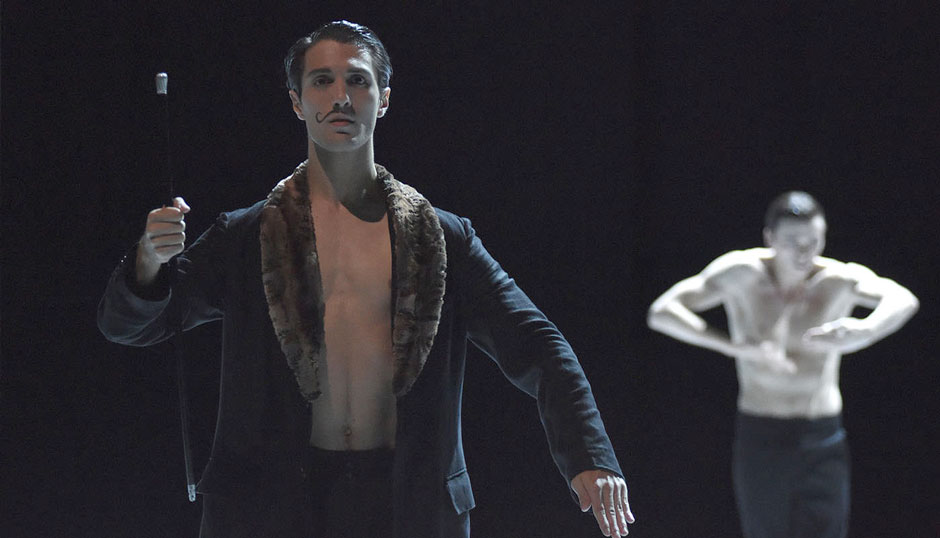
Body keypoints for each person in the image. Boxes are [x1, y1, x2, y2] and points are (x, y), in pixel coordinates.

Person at [98, 20, 634, 538]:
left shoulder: (442, 239)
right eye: (322, 80)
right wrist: (149, 259)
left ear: (383, 98)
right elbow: (130, 326)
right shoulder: (247, 236)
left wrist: (590, 456)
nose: (340, 96)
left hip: (407, 503)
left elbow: (538, 343)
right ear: (296, 101)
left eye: (357, 80)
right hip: (273, 505)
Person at [647, 191, 918, 538]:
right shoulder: (741, 272)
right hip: (762, 433)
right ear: (770, 238)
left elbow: (903, 299)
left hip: (821, 433)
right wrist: (735, 348)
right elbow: (662, 312)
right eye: (793, 242)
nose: (804, 252)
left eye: (813, 241)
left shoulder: (837, 280)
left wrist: (865, 331)